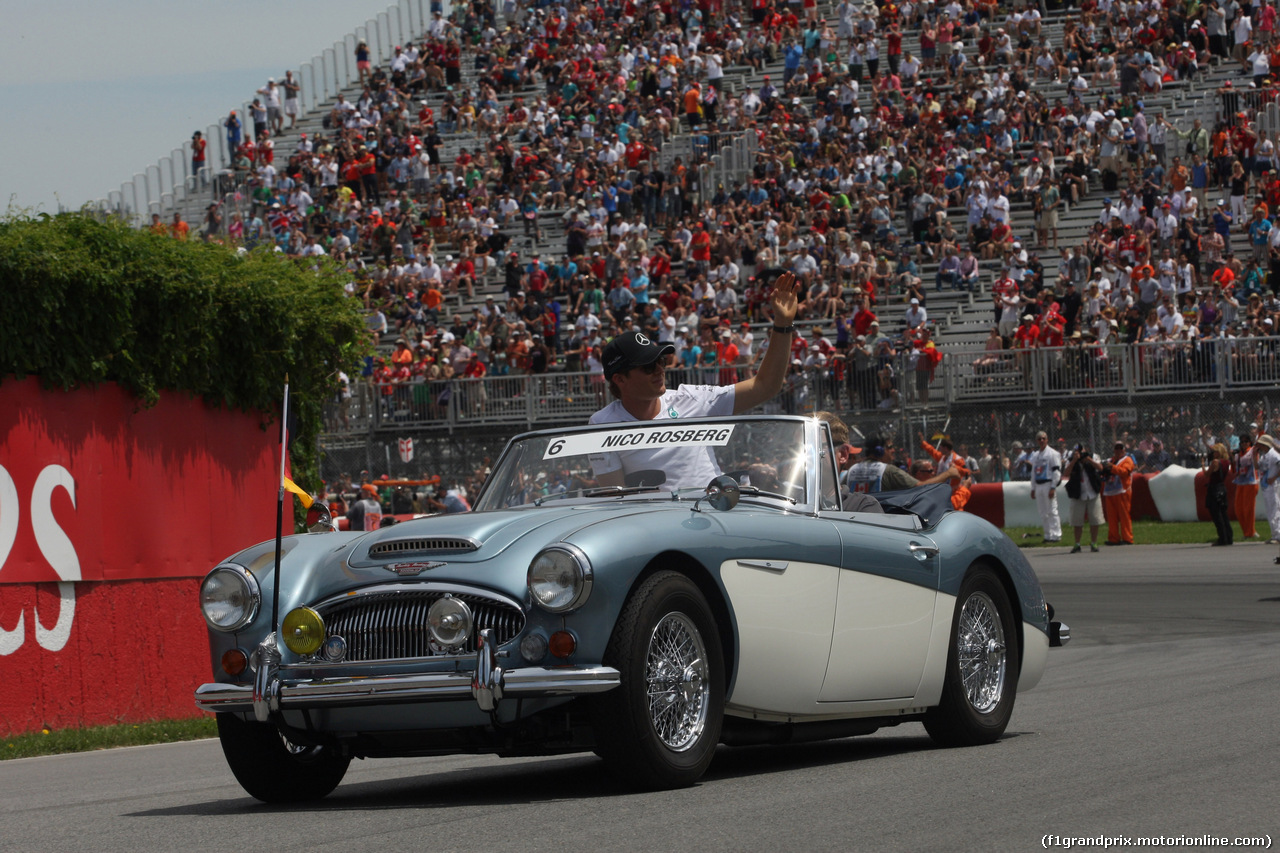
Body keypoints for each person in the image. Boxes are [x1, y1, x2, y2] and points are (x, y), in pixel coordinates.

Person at [587, 271, 800, 489]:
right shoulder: (601, 424)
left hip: (715, 511)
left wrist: (783, 324)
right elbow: (615, 497)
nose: (659, 370)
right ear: (620, 379)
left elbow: (765, 386)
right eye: (648, 366)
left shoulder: (691, 398)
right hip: (654, 519)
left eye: (661, 361)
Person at [816, 411, 881, 513]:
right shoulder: (785, 505)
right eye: (794, 449)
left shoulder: (863, 507)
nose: (800, 454)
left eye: (813, 446)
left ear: (842, 454)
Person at [847, 443, 959, 493]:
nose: (893, 450)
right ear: (879, 450)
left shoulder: (851, 471)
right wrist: (948, 474)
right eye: (889, 447)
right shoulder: (890, 471)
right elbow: (920, 486)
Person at [1062, 444, 1103, 553]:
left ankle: (1094, 542)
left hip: (1092, 492)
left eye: (1082, 451)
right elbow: (1066, 473)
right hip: (1078, 493)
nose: (1080, 453)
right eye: (1078, 451)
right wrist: (1074, 460)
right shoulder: (1071, 459)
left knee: (1095, 519)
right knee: (1077, 521)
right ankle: (1077, 544)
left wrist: (1088, 459)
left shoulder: (1093, 456)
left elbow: (1100, 467)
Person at [1027, 430, 1063, 542]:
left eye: (1043, 438)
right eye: (1039, 439)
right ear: (1037, 441)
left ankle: (1056, 535)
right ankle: (1048, 535)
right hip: (1038, 485)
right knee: (1042, 511)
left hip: (1048, 483)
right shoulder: (1035, 455)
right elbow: (1033, 472)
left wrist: (1053, 487)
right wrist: (1033, 488)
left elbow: (1056, 472)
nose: (1041, 440)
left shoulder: (1053, 453)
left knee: (1052, 510)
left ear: (1047, 440)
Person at [1102, 441, 1136, 545]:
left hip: (1123, 491)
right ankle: (1113, 538)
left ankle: (1127, 538)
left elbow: (1125, 472)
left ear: (1124, 450)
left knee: (1124, 515)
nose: (1118, 450)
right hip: (1110, 491)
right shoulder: (1109, 460)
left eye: (1120, 448)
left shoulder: (1128, 460)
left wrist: (1111, 468)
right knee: (1111, 517)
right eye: (1116, 448)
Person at [1205, 442, 1233, 546]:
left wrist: (1203, 464)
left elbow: (1207, 474)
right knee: (1223, 514)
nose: (1213, 453)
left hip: (1215, 488)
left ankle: (1222, 538)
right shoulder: (1226, 462)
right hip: (1222, 487)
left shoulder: (1215, 462)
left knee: (1217, 515)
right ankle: (1228, 536)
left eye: (1214, 451)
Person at [1233, 435, 1260, 540]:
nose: (1244, 443)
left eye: (1246, 441)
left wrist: (1260, 428)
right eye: (1242, 441)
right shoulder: (1238, 454)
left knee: (1248, 509)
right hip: (1240, 482)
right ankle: (1247, 532)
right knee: (1238, 509)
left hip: (1251, 482)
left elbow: (1259, 442)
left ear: (1250, 443)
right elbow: (1235, 469)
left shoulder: (1252, 451)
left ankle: (1250, 532)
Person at [1255, 435, 1280, 545]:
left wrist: (1274, 477)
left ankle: (1278, 534)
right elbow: (1257, 467)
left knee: (1274, 510)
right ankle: (1274, 534)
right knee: (1270, 511)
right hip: (1266, 486)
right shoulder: (1264, 456)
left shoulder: (1274, 455)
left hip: (1273, 485)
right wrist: (1253, 456)